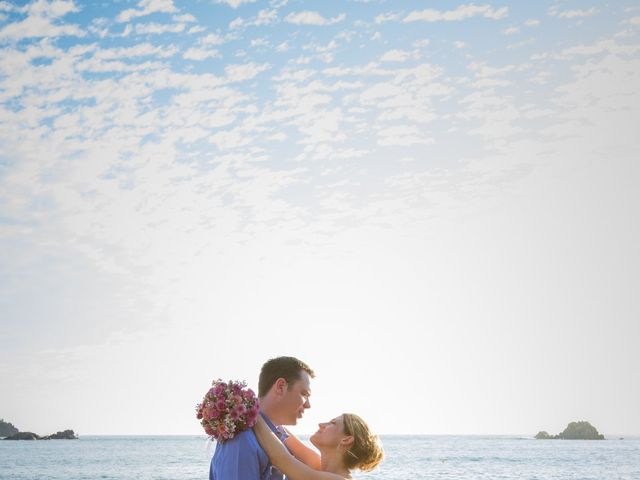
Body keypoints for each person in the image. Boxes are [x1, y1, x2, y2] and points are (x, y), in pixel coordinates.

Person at [209, 356, 315, 480]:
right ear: (281, 387)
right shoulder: (241, 440)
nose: (308, 405)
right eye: (304, 394)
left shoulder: (280, 438)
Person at [253, 412, 384, 480]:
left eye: (332, 423)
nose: (321, 424)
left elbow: (281, 459)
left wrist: (253, 414)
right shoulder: (316, 465)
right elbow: (281, 433)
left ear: (346, 440)